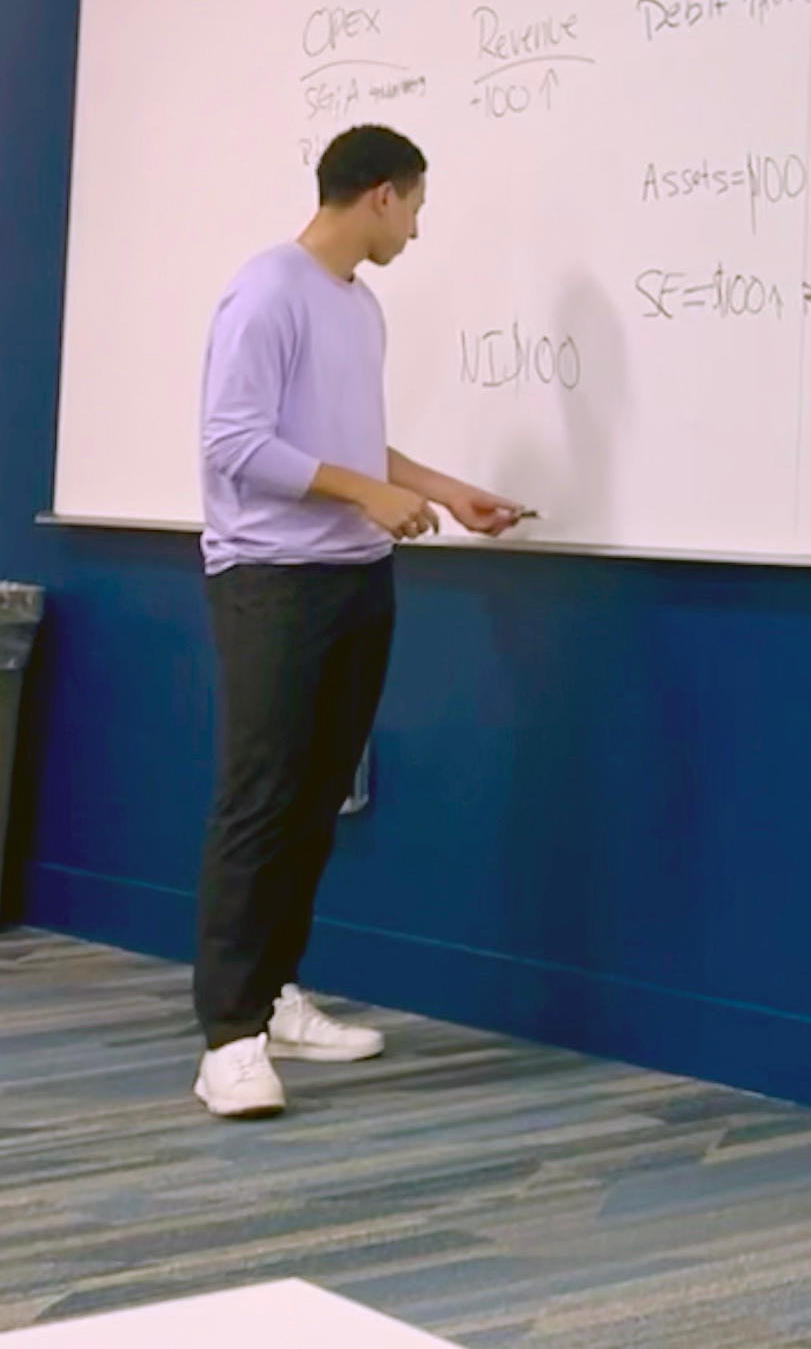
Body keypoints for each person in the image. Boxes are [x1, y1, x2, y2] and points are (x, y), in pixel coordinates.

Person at [193, 124, 526, 1119]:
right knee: (261, 798)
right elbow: (234, 441)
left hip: (355, 579)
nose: (419, 230)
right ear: (380, 195)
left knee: (317, 797)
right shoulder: (266, 291)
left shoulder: (359, 307)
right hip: (271, 580)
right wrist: (359, 495)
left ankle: (276, 994)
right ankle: (227, 1038)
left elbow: (348, 441)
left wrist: (444, 489)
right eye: (417, 207)